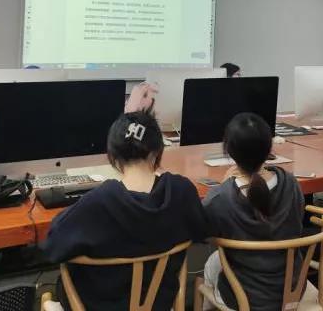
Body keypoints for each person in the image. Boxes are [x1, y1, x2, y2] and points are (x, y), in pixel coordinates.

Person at [42, 109, 207, 311]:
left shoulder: (98, 202)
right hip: (159, 304)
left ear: (112, 155)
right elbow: (201, 231)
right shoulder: (182, 191)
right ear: (158, 150)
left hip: (95, 306)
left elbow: (52, 247)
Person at [203, 113, 304, 311]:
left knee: (212, 263)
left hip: (245, 297)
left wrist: (223, 185)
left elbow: (202, 231)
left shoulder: (221, 197)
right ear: (270, 148)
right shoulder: (291, 184)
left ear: (229, 152)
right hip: (290, 291)